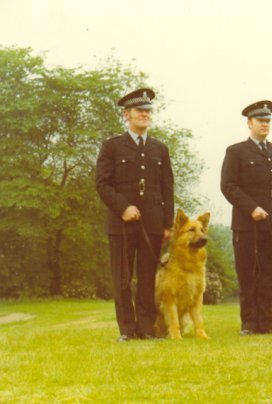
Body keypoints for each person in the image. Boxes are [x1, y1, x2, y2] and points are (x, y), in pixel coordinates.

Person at [96, 88, 174, 342]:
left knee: (148, 277)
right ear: (126, 115)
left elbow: (167, 188)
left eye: (148, 110)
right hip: (121, 224)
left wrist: (168, 224)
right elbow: (103, 184)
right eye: (139, 110)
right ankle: (127, 330)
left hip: (152, 224)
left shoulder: (159, 149)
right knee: (122, 278)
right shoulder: (112, 147)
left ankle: (146, 328)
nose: (144, 114)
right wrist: (123, 207)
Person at [220, 100, 272, 335]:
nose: (265, 124)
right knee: (248, 273)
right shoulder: (236, 151)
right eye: (260, 121)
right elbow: (228, 186)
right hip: (247, 223)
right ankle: (249, 324)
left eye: (267, 121)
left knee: (269, 273)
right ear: (249, 123)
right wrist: (252, 208)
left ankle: (265, 323)